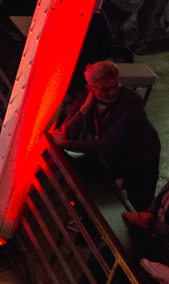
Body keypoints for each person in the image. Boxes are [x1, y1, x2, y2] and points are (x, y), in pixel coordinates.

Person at [51, 61, 162, 213]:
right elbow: (67, 131)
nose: (112, 92)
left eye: (115, 86)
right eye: (105, 88)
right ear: (91, 88)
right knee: (84, 195)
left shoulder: (131, 101)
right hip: (112, 156)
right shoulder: (83, 97)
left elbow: (107, 143)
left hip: (142, 158)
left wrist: (66, 144)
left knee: (140, 207)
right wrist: (84, 109)